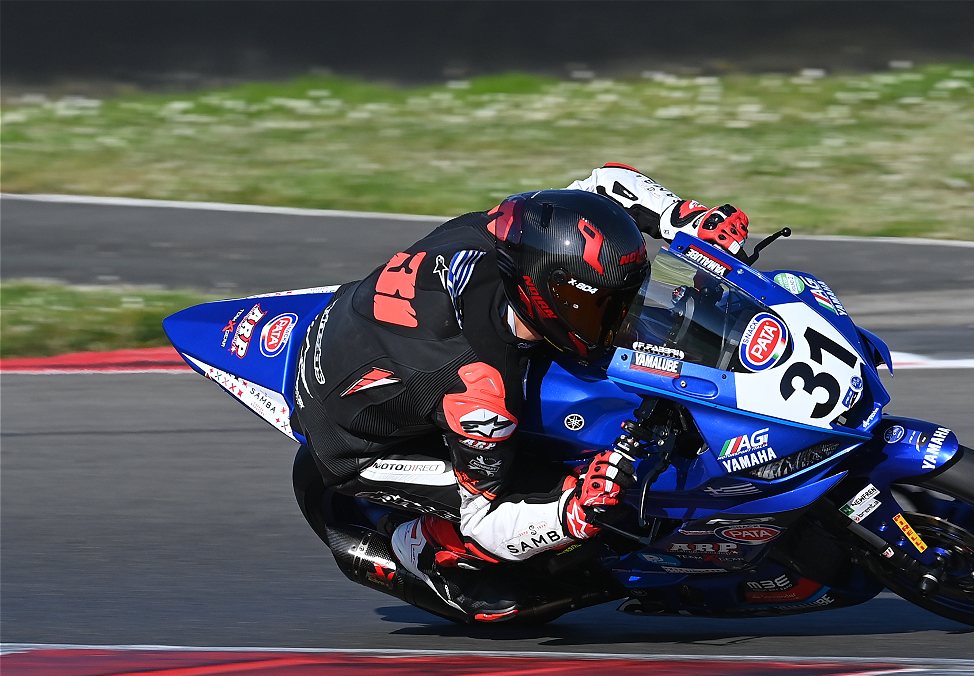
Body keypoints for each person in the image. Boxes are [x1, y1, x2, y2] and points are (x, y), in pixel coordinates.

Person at [291, 164, 750, 622]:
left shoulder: (513, 229)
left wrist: (685, 217)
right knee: (568, 499)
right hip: (357, 443)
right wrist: (572, 511)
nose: (623, 318)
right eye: (602, 308)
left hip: (369, 331)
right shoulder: (482, 392)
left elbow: (602, 187)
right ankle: (416, 547)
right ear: (545, 296)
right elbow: (484, 520)